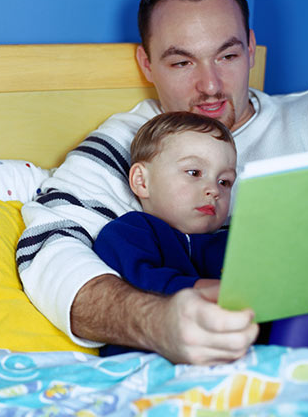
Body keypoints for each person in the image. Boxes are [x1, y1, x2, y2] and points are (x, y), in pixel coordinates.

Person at [16, 0, 308, 365]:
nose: (211, 86)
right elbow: (47, 249)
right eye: (182, 63)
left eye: (228, 55)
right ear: (146, 63)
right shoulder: (131, 145)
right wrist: (156, 321)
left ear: (252, 48)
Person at [95, 112, 236, 354]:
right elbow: (140, 287)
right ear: (142, 181)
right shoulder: (129, 232)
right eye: (194, 173)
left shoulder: (233, 243)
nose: (213, 189)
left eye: (224, 182)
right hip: (145, 361)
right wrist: (212, 290)